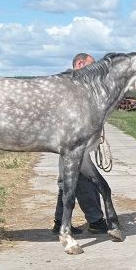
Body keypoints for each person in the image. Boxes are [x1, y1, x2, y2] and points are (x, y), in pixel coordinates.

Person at [51, 53, 109, 234]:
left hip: (72, 140)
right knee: (82, 180)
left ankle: (60, 221)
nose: (93, 71)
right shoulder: (71, 83)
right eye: (90, 66)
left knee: (67, 180)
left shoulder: (76, 83)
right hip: (72, 141)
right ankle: (96, 220)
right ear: (80, 64)